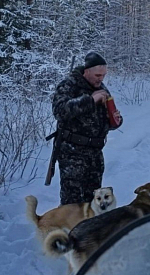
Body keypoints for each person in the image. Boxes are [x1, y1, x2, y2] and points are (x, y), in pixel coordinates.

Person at [52, 52, 123, 205]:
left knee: (93, 204)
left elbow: (104, 120)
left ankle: (90, 229)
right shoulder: (69, 85)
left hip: (95, 154)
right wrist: (90, 100)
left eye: (103, 75)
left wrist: (114, 120)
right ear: (87, 71)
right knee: (72, 205)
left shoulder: (101, 88)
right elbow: (59, 111)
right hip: (73, 153)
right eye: (98, 75)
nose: (101, 79)